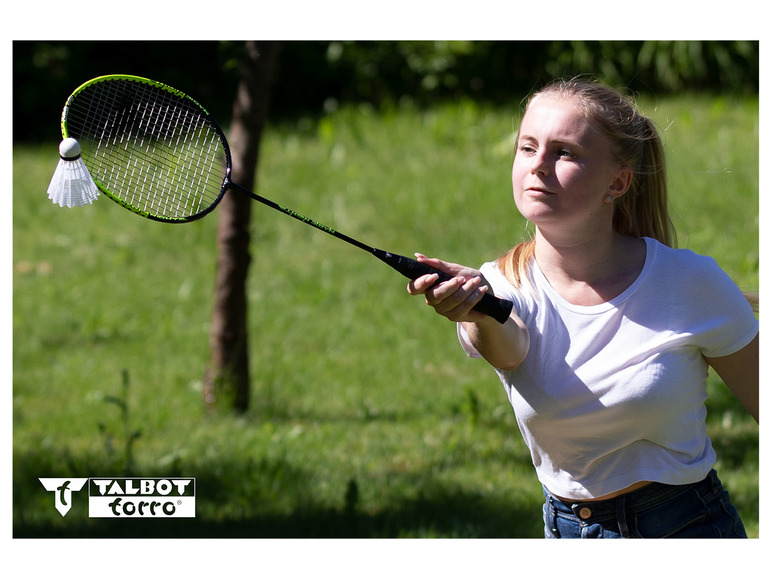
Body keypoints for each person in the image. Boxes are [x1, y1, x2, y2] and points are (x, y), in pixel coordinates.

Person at [407, 78, 759, 538]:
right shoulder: (497, 285)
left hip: (684, 526)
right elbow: (509, 347)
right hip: (569, 532)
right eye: (527, 148)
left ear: (617, 181)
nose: (538, 167)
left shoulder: (689, 282)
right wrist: (475, 311)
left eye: (564, 153)